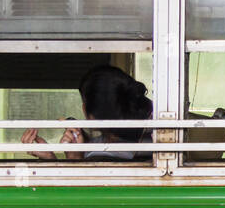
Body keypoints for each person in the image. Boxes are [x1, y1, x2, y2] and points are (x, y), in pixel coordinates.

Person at [22, 65, 153, 161]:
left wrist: (75, 159)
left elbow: (78, 194)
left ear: (93, 116)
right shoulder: (146, 141)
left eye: (84, 102)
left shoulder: (105, 159)